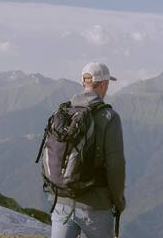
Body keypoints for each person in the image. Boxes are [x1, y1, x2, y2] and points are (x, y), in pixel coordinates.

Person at [50, 62, 126, 238]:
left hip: (61, 201)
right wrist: (118, 201)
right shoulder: (109, 117)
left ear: (83, 82)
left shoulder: (64, 112)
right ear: (103, 84)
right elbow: (116, 165)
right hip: (96, 206)